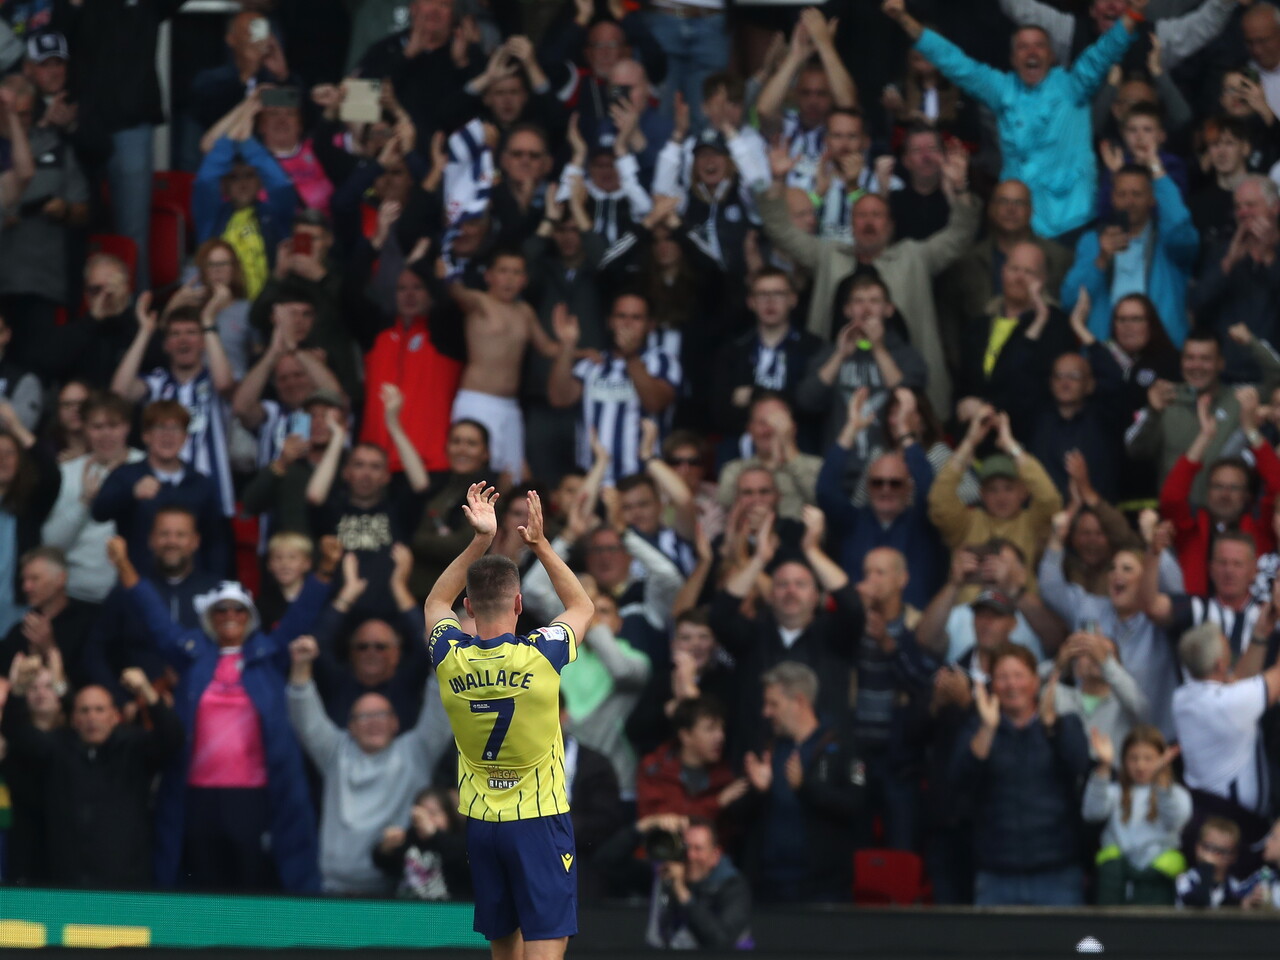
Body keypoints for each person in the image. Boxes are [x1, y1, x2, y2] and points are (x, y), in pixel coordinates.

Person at [423, 484, 594, 960]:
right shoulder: (542, 654)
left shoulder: (450, 656)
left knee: (504, 951)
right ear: (519, 605)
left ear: (470, 609)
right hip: (538, 822)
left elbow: (436, 603)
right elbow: (582, 606)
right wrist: (539, 544)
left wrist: (480, 541)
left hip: (482, 824)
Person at [108, 536, 327, 893]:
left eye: (238, 610)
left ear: (249, 617)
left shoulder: (269, 654)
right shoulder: (192, 655)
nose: (230, 617)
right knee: (203, 880)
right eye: (221, 611)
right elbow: (155, 618)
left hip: (252, 792)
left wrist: (325, 571)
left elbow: (301, 614)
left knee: (249, 879)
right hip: (196, 790)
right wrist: (123, 566)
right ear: (209, 618)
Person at [882, 0, 1142, 240]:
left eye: (1039, 45)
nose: (1031, 51)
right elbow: (954, 62)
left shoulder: (1073, 85)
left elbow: (1104, 51)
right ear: (1013, 59)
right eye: (1022, 46)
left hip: (1074, 225)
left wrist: (1133, 12)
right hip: (1019, 228)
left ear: (1052, 56)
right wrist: (904, 18)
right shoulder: (1002, 89)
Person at [286, 634, 450, 895]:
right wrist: (301, 664)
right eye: (363, 716)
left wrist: (438, 647)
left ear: (396, 722)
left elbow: (441, 702)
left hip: (398, 887)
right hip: (335, 889)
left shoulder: (417, 750)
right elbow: (305, 716)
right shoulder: (335, 752)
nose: (373, 721)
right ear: (349, 726)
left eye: (381, 714)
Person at [0, 658, 184, 888]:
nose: (92, 718)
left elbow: (172, 738)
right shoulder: (58, 749)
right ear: (74, 719)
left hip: (124, 884)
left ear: (114, 716)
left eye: (100, 710)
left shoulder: (133, 747)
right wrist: (17, 691)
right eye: (84, 711)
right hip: (66, 883)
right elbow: (18, 733)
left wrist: (146, 691)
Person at [952, 643, 1092, 906]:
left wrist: (1053, 728)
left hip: (1057, 871)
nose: (1011, 684)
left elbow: (1080, 767)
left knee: (1068, 948)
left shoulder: (1065, 723)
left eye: (1018, 676)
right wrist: (988, 729)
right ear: (993, 685)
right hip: (996, 873)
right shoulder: (976, 728)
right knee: (995, 949)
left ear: (1035, 681)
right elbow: (959, 783)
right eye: (1003, 677)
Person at [742, 661, 864, 903]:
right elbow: (745, 817)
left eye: (773, 704)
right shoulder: (768, 748)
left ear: (799, 701)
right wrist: (758, 792)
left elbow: (856, 806)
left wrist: (806, 788)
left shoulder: (843, 748)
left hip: (823, 888)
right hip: (768, 886)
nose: (765, 712)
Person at [1125, 327, 1280, 507]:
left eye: (1205, 359)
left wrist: (1251, 342)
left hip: (1228, 518)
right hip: (1177, 519)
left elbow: (1277, 378)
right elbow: (1135, 450)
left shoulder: (1239, 399)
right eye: (1189, 358)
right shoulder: (1164, 398)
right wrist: (1153, 412)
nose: (1196, 366)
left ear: (1221, 363)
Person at [928, 405, 1063, 600]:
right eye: (992, 490)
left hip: (1021, 619)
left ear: (1023, 492)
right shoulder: (967, 522)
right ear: (981, 494)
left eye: (1009, 488)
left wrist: (1010, 444)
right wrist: (970, 442)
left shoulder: (1032, 522)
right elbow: (939, 501)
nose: (1001, 497)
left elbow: (1050, 500)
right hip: (970, 620)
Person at [1061, 162, 1199, 348]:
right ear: (1112, 198)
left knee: (1145, 377)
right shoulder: (1093, 242)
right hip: (1108, 353)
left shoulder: (1168, 241)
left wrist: (1157, 169)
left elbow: (1180, 230)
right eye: (1122, 194)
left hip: (1161, 352)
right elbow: (1069, 301)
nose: (1129, 202)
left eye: (1137, 194)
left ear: (1152, 198)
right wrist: (1100, 261)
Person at [548, 293, 681, 485]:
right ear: (610, 321)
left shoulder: (661, 361)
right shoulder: (593, 363)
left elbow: (655, 403)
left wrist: (631, 356)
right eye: (621, 316)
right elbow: (559, 398)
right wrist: (567, 346)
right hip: (593, 480)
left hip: (642, 481)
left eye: (636, 318)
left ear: (650, 325)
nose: (627, 323)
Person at [91, 400, 227, 579]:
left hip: (191, 586)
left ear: (186, 437)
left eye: (175, 429)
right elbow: (99, 511)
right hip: (138, 583)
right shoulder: (126, 475)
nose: (168, 436)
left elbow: (215, 542)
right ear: (146, 435)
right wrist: (131, 493)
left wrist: (215, 585)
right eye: (160, 428)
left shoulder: (201, 483)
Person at [1173, 621, 1280, 831]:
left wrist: (1260, 632)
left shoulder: (1181, 698)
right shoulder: (1228, 704)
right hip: (1233, 821)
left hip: (1203, 810)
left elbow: (1239, 682)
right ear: (1220, 664)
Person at [40, 392, 143, 603]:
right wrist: (84, 502)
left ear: (127, 427)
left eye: (113, 426)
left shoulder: (146, 468)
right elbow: (51, 545)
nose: (106, 434)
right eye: (97, 427)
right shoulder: (67, 472)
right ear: (85, 429)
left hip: (136, 592)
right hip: (79, 595)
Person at [1083, 724, 1190, 906]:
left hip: (1157, 881)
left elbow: (1176, 820)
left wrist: (1163, 787)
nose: (1140, 765)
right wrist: (1104, 766)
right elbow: (1091, 813)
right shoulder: (1115, 792)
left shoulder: (1176, 794)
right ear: (1123, 760)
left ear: (1162, 758)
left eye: (1149, 758)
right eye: (1133, 758)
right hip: (1116, 881)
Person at [643, 818, 753, 950]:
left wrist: (682, 893)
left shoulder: (734, 886)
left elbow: (722, 941)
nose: (690, 856)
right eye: (686, 847)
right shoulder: (666, 876)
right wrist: (650, 824)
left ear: (715, 855)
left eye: (698, 849)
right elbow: (615, 862)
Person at [636, 696, 742, 824]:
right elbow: (657, 822)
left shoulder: (726, 777)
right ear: (685, 735)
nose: (720, 737)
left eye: (721, 729)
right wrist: (716, 803)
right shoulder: (654, 769)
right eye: (710, 729)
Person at [374, 785, 473, 901]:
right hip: (408, 908)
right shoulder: (409, 839)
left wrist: (434, 835)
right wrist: (385, 849)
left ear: (448, 815)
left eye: (433, 813)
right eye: (422, 814)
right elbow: (385, 864)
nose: (426, 820)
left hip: (449, 910)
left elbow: (464, 862)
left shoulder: (460, 839)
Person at [1176, 817, 1248, 907]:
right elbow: (1198, 903)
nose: (1216, 855)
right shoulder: (1185, 880)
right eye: (1210, 848)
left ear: (1233, 856)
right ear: (1198, 848)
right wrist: (1207, 868)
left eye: (1224, 852)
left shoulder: (1235, 886)